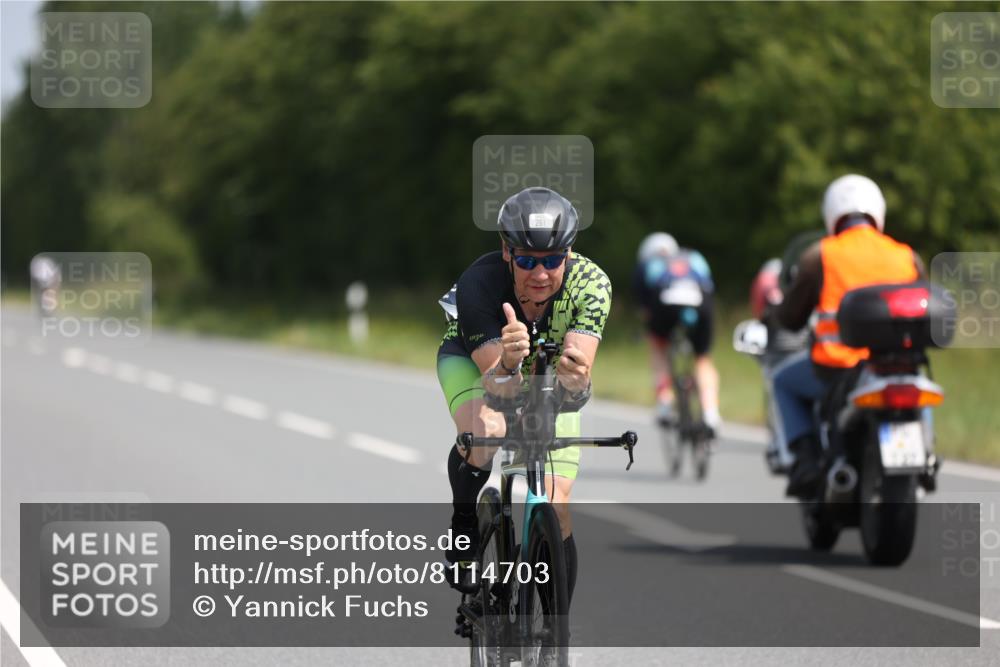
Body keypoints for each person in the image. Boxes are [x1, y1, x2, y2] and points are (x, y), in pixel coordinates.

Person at [436, 186, 612, 600]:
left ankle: (555, 633)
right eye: (528, 261)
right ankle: (464, 528)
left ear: (569, 254)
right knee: (489, 430)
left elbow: (578, 384)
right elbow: (500, 388)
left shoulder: (593, 285)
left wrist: (575, 382)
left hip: (547, 369)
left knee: (556, 502)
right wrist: (511, 361)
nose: (540, 274)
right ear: (506, 251)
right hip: (474, 360)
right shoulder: (478, 283)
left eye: (552, 261)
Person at [774, 174, 925, 496]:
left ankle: (805, 462)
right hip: (895, 366)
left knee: (782, 381)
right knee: (918, 385)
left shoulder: (820, 255)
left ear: (832, 214)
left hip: (836, 369)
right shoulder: (906, 255)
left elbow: (791, 317)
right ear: (878, 212)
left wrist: (775, 314)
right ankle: (925, 450)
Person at [633, 232, 720, 432]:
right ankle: (711, 413)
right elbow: (709, 285)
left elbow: (644, 309)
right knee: (703, 359)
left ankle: (664, 403)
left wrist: (652, 331)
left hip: (664, 302)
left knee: (659, 349)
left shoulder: (648, 263)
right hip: (700, 301)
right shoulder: (694, 256)